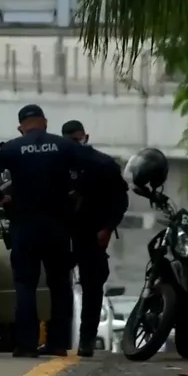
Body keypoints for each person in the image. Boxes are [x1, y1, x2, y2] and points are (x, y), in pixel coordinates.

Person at [0, 105, 113, 358]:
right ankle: (58, 343)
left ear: (21, 127)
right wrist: (80, 192)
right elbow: (100, 165)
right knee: (60, 285)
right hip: (58, 227)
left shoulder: (11, 147)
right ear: (45, 122)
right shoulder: (63, 146)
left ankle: (27, 344)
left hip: (25, 225)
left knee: (25, 284)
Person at [60, 120, 129, 357]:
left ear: (86, 137)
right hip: (62, 233)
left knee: (92, 287)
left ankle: (87, 340)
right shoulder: (55, 164)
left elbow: (119, 200)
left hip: (91, 233)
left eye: (78, 139)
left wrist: (108, 228)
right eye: (71, 141)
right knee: (57, 285)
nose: (77, 144)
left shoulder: (102, 164)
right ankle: (57, 339)